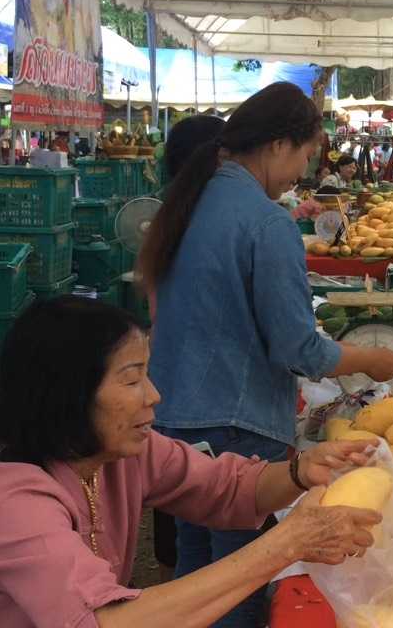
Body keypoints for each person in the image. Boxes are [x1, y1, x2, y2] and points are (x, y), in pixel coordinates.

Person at [138, 82, 393, 627]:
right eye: (306, 155)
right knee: (239, 576)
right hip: (236, 424)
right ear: (280, 144)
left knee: (195, 572)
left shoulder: (192, 203)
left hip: (173, 415)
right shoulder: (266, 221)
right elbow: (297, 347)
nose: (301, 173)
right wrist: (366, 360)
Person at [0, 297, 384, 628]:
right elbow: (105, 622)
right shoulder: (6, 505)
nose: (154, 395)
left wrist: (299, 471)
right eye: (133, 379)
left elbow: (228, 487)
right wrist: (287, 543)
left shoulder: (118, 457)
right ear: (70, 395)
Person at [150, 113, 228, 581]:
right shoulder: (212, 223)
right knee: (219, 547)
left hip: (169, 388)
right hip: (203, 393)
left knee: (184, 536)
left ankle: (175, 593)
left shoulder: (172, 215)